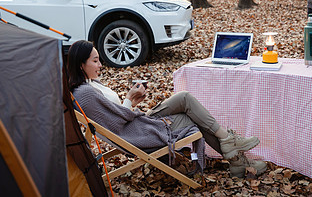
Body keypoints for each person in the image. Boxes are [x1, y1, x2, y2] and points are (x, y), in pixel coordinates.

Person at [67, 40, 268, 178]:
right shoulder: (85, 94)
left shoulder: (90, 86)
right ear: (80, 64)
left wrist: (132, 102)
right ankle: (233, 153)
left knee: (185, 100)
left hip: (135, 122)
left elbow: (115, 115)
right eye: (95, 61)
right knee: (189, 109)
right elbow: (117, 122)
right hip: (135, 131)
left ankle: (231, 149)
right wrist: (129, 99)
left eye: (99, 59)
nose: (100, 65)